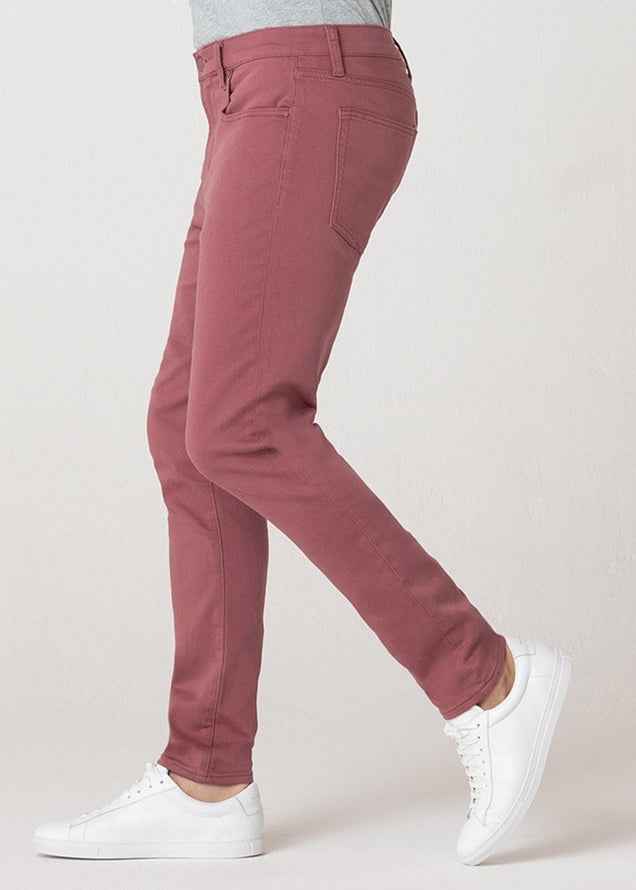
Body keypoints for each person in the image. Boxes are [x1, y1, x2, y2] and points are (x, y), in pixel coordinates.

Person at [32, 1, 573, 866]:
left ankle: (487, 680)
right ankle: (206, 779)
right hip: (248, 83)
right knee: (187, 425)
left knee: (241, 421)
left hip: (304, 73)